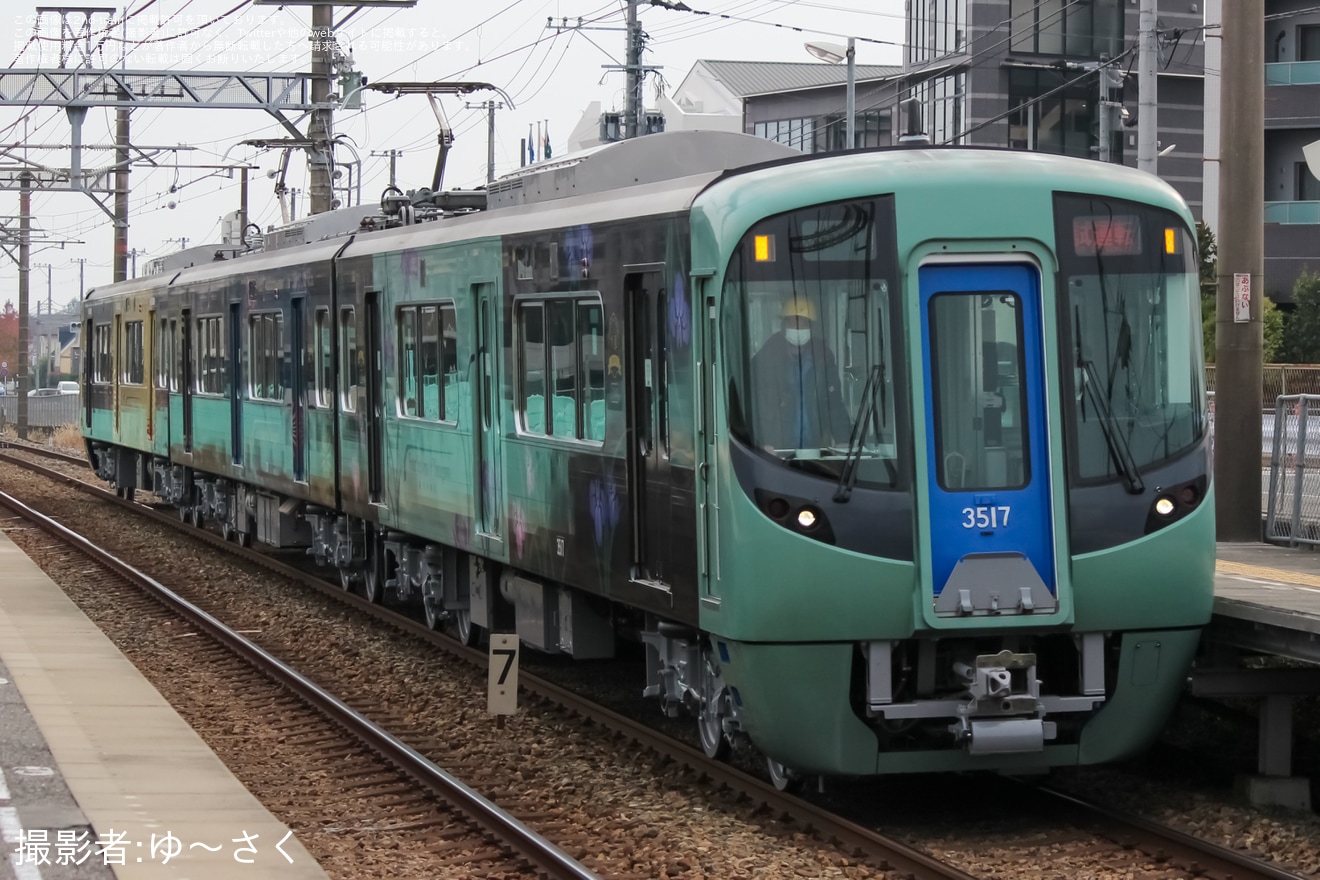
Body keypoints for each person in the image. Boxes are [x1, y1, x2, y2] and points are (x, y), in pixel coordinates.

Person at [750, 296, 852, 453]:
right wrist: (761, 442)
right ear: (784, 326)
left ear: (811, 328)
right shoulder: (766, 359)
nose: (798, 329)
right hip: (776, 453)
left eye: (803, 323)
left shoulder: (822, 358)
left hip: (813, 452)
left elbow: (834, 402)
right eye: (793, 322)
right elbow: (755, 406)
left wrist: (843, 439)